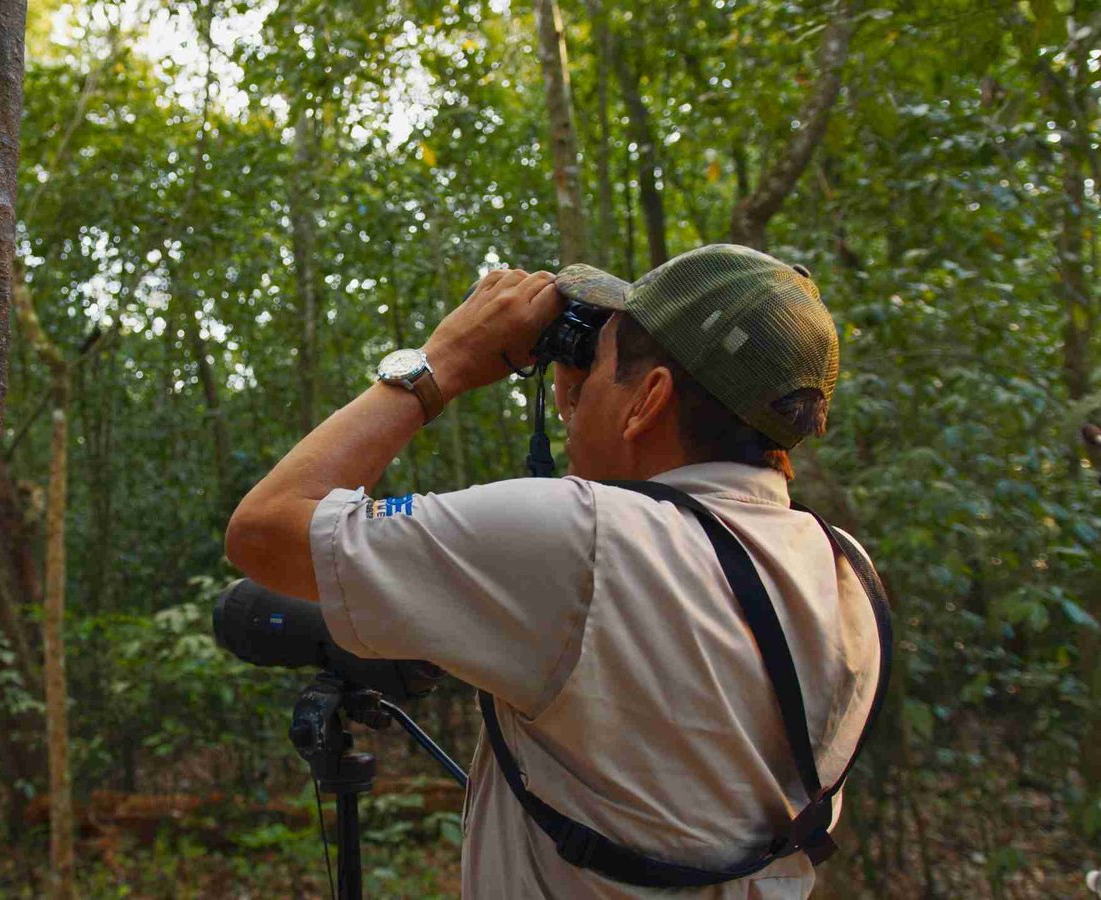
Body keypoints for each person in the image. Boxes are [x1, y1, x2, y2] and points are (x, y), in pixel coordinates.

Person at [224, 244, 887, 898]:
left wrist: (442, 363)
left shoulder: (582, 539)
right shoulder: (846, 571)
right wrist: (595, 398)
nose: (575, 392)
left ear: (649, 399)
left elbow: (264, 529)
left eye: (597, 367)